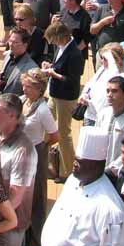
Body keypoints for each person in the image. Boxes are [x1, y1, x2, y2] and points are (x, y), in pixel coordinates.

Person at [20, 69, 58, 246]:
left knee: (36, 196)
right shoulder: (23, 101)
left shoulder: (43, 110)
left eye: (29, 86)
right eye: (24, 85)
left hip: (35, 152)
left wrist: (41, 146)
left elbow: (55, 135)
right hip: (20, 151)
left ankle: (35, 239)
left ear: (40, 89)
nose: (25, 89)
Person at [42, 21, 84, 182]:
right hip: (55, 94)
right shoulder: (61, 48)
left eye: (53, 40)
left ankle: (68, 171)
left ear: (61, 37)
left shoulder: (74, 54)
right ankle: (49, 166)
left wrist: (54, 74)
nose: (52, 43)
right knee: (46, 127)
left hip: (66, 97)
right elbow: (59, 67)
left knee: (63, 133)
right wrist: (51, 66)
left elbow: (73, 80)